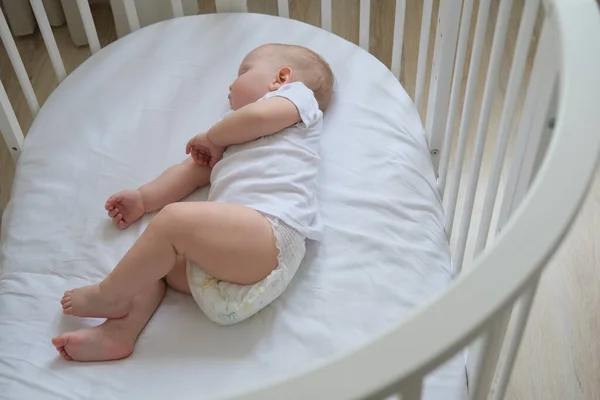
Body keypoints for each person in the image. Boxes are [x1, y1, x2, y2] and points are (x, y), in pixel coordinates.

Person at [50, 43, 334, 362]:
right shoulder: (229, 142)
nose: (230, 85)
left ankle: (109, 295)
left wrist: (214, 137)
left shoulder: (297, 103)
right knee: (151, 261)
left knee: (173, 223)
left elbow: (256, 117)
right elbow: (190, 174)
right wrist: (144, 198)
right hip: (222, 280)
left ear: (281, 78)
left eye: (243, 72)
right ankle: (120, 333)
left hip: (269, 236)